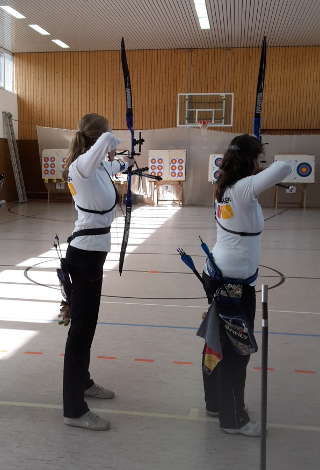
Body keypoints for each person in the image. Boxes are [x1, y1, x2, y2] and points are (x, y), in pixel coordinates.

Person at [201, 134, 291, 436]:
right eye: (259, 157)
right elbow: (285, 167)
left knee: (218, 342)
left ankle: (215, 403)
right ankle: (232, 419)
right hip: (233, 283)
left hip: (222, 275)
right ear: (251, 161)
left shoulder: (226, 185)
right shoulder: (241, 188)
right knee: (237, 352)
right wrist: (259, 168)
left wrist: (253, 161)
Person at [62, 113, 131, 431]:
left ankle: (85, 382)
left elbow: (116, 166)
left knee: (88, 326)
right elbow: (97, 156)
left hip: (94, 256)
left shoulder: (99, 166)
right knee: (81, 331)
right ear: (97, 139)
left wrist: (126, 160)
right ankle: (74, 409)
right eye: (104, 138)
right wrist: (110, 138)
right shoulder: (80, 167)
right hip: (85, 256)